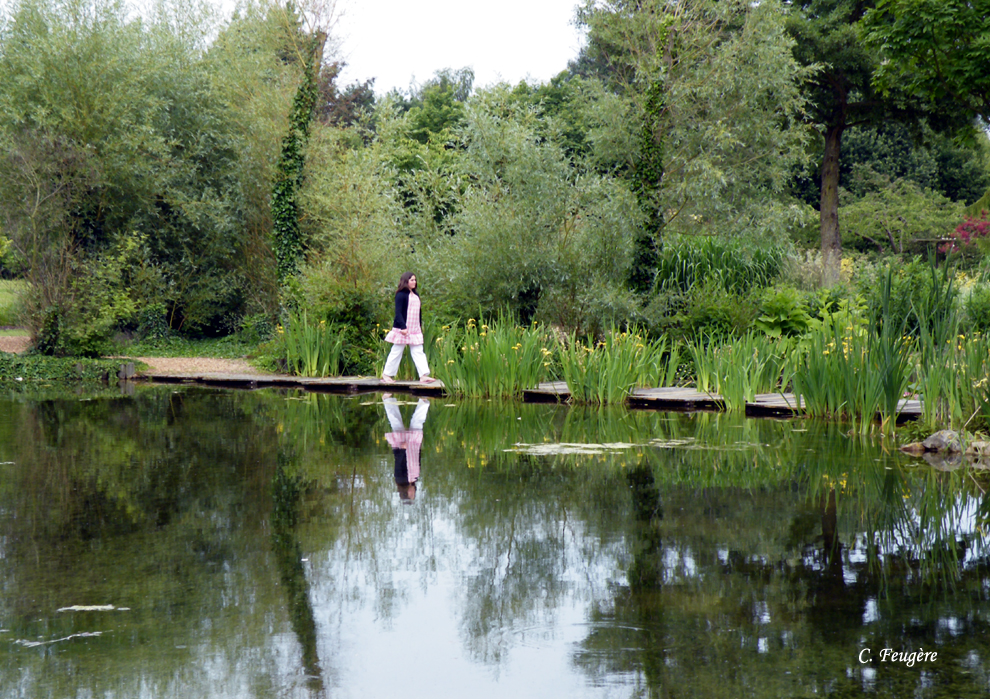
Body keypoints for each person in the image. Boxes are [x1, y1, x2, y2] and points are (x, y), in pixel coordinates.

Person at [381, 272, 436, 384]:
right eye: (412, 280)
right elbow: (398, 313)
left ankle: (424, 375)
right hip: (403, 328)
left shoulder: (416, 295)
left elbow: (418, 313)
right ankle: (387, 375)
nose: (414, 282)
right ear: (406, 281)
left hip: (414, 328)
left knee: (418, 351)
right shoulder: (401, 295)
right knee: (397, 351)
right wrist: (403, 327)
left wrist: (419, 326)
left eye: (415, 280)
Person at [383, 394, 430, 502]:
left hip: (402, 447)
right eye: (413, 494)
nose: (413, 492)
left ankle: (387, 399)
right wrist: (419, 448)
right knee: (417, 424)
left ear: (405, 493)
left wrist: (402, 450)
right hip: (413, 447)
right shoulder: (414, 478)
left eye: (411, 494)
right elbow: (418, 461)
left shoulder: (400, 478)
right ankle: (423, 400)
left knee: (396, 422)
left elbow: (398, 463)